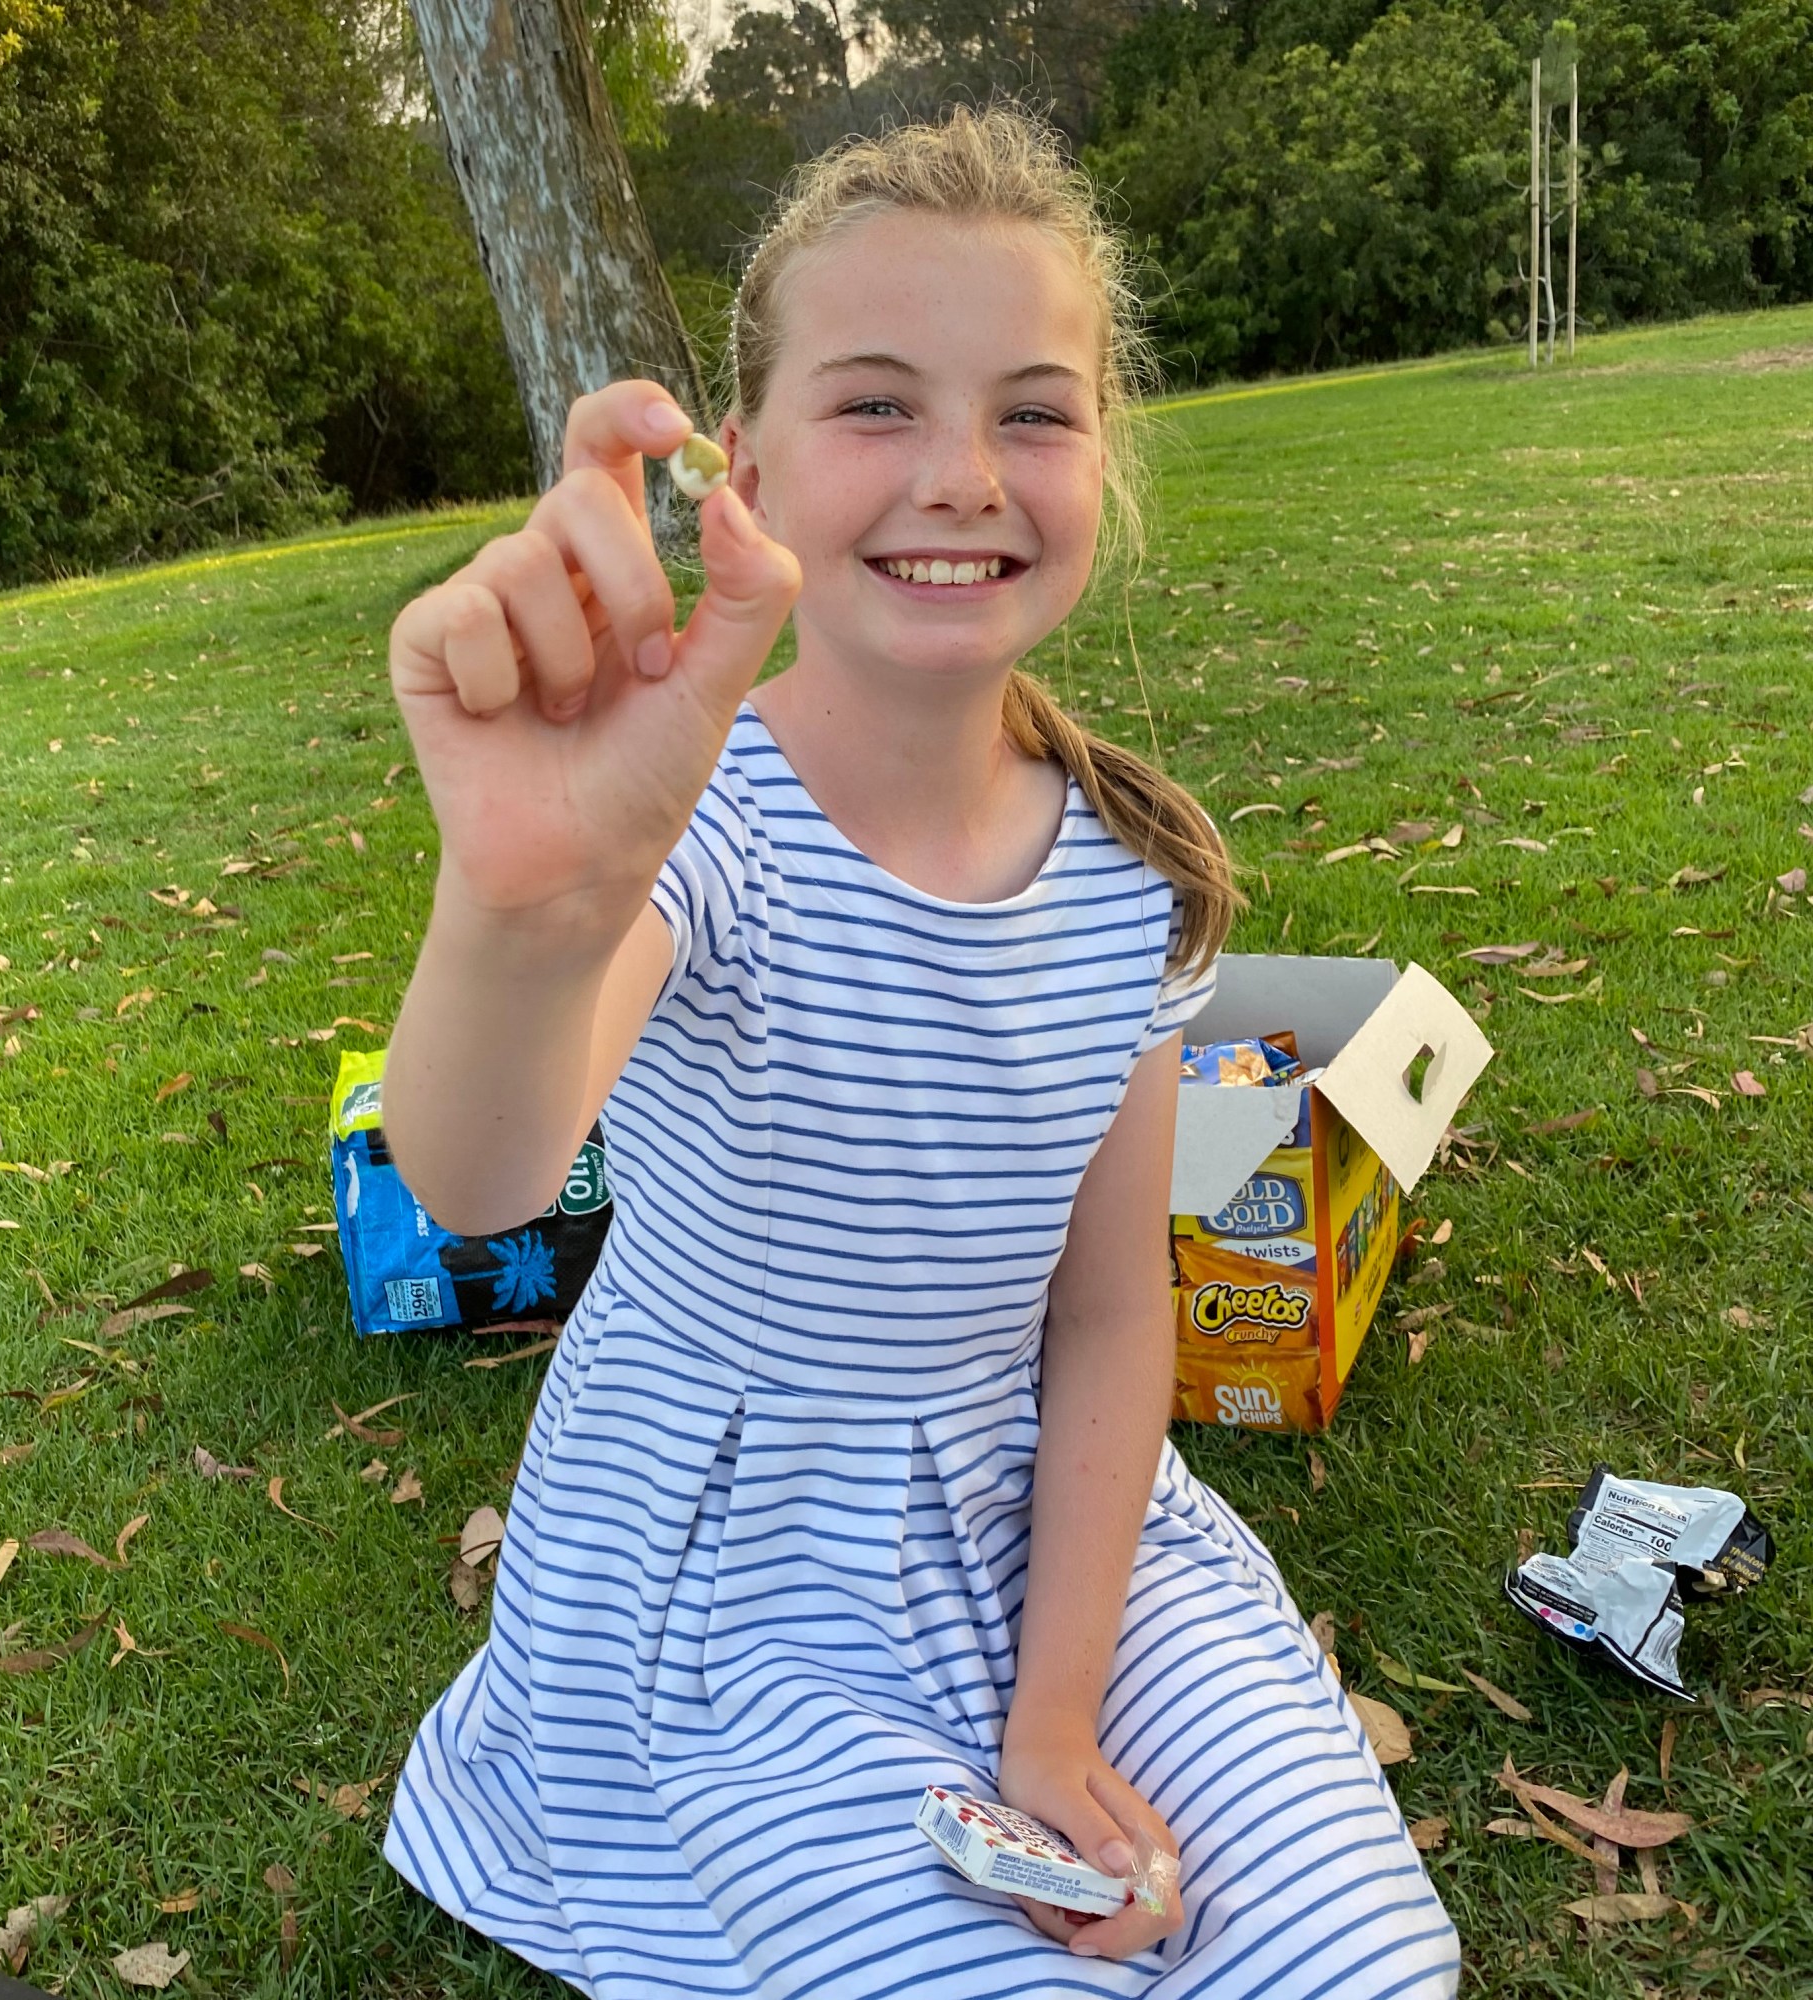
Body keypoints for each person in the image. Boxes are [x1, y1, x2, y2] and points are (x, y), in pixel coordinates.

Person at [375, 103, 1460, 2000]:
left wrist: (1056, 1722)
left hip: (1050, 1530)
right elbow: (479, 1177)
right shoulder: (696, 823)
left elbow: (1109, 1318)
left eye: (1034, 413)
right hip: (730, 1587)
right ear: (749, 470)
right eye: (877, 405)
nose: (962, 477)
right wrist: (529, 906)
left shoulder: (1136, 874)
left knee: (1351, 1964)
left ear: (1104, 460)